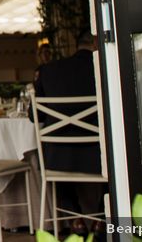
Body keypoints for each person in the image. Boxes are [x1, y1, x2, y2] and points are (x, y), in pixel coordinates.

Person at [34, 31, 104, 235]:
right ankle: (100, 217)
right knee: (116, 150)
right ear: (95, 44)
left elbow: (34, 115)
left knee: (53, 152)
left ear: (76, 45)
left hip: (58, 159)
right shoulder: (104, 67)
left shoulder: (49, 71)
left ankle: (74, 217)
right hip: (98, 156)